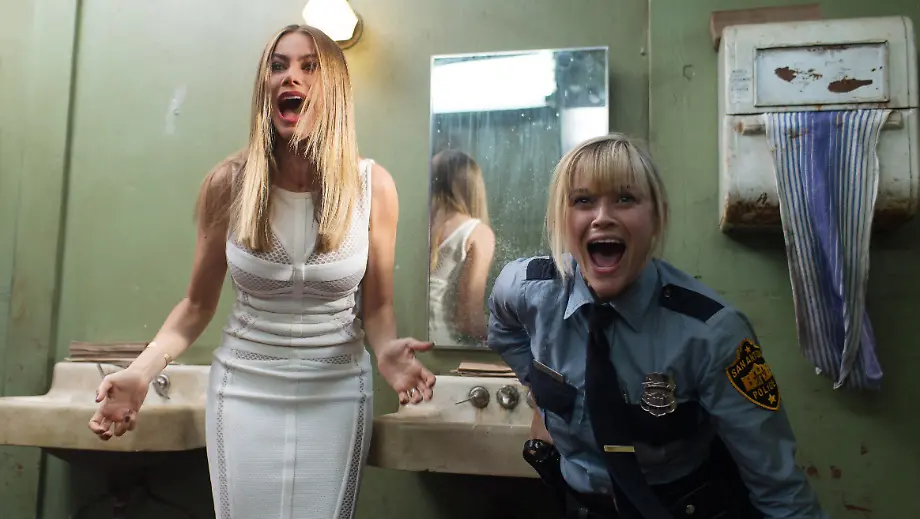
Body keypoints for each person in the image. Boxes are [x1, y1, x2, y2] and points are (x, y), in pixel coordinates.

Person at [88, 25, 436, 519]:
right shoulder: (229, 183)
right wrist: (141, 372)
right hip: (244, 388)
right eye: (278, 65)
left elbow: (377, 310)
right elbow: (196, 306)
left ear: (334, 89)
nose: (290, 76)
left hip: (336, 391)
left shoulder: (372, 186)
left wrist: (386, 352)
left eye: (309, 66)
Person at [488, 133, 828, 519]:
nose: (602, 217)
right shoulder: (526, 290)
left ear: (656, 217)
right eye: (583, 200)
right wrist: (539, 393)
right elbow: (502, 326)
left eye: (625, 198)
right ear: (561, 220)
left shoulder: (712, 333)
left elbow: (779, 489)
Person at [428, 149, 495, 347]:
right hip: (443, 347)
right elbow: (469, 320)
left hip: (410, 339)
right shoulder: (477, 233)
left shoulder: (419, 226)